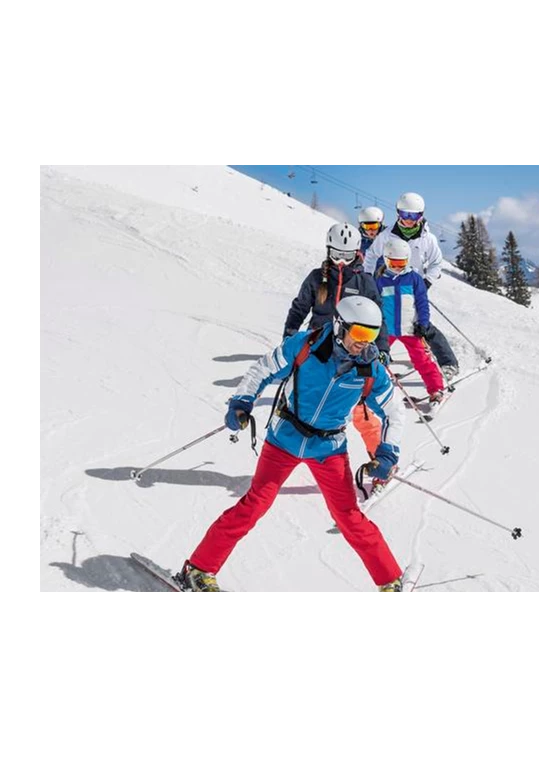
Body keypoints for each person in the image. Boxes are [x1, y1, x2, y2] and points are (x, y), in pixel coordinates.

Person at [180, 296, 407, 592]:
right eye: (360, 334)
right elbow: (263, 368)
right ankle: (198, 569)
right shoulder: (305, 345)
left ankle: (390, 581)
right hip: (283, 439)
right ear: (340, 325)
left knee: (349, 517)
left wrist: (387, 451)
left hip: (328, 448)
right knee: (254, 505)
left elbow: (394, 410)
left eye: (372, 336)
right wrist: (242, 400)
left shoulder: (370, 370)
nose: (364, 343)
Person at [283, 222, 388, 460]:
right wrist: (290, 335)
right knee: (303, 403)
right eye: (337, 255)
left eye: (347, 256)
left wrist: (382, 348)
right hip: (317, 349)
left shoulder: (365, 283)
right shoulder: (316, 278)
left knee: (362, 410)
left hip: (355, 352)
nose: (341, 261)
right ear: (328, 250)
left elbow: (379, 319)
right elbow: (299, 308)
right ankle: (290, 454)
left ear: (357, 253)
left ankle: (379, 459)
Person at [364, 192, 460, 382]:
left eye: (413, 216)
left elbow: (436, 263)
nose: (408, 220)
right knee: (389, 324)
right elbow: (371, 256)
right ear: (398, 213)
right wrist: (369, 279)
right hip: (391, 282)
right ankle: (379, 359)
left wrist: (426, 282)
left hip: (416, 285)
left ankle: (448, 362)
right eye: (404, 214)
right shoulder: (387, 236)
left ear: (421, 216)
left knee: (422, 325)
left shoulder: (428, 239)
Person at [375, 237, 446, 405]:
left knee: (422, 360)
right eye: (394, 264)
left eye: (402, 264)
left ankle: (435, 389)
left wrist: (423, 323)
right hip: (386, 331)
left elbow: (422, 303)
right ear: (386, 260)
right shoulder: (379, 280)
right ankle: (369, 391)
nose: (398, 268)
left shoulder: (414, 278)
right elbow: (375, 304)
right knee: (376, 360)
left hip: (410, 330)